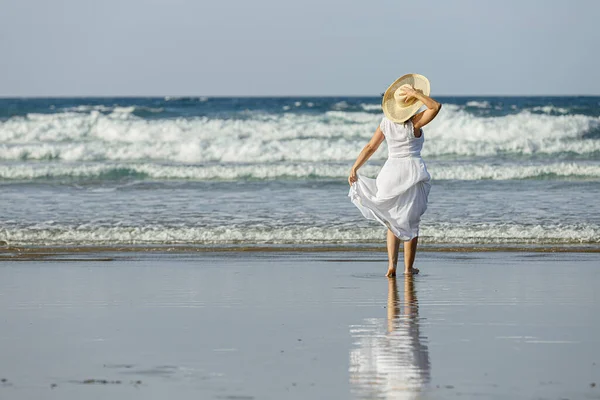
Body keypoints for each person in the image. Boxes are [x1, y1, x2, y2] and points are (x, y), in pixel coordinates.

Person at [348, 74, 441, 277]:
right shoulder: (415, 122)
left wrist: (355, 167)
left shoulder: (385, 123)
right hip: (412, 173)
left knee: (392, 220)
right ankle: (408, 268)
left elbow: (370, 147)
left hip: (390, 173)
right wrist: (416, 93)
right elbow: (435, 107)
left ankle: (392, 266)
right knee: (411, 222)